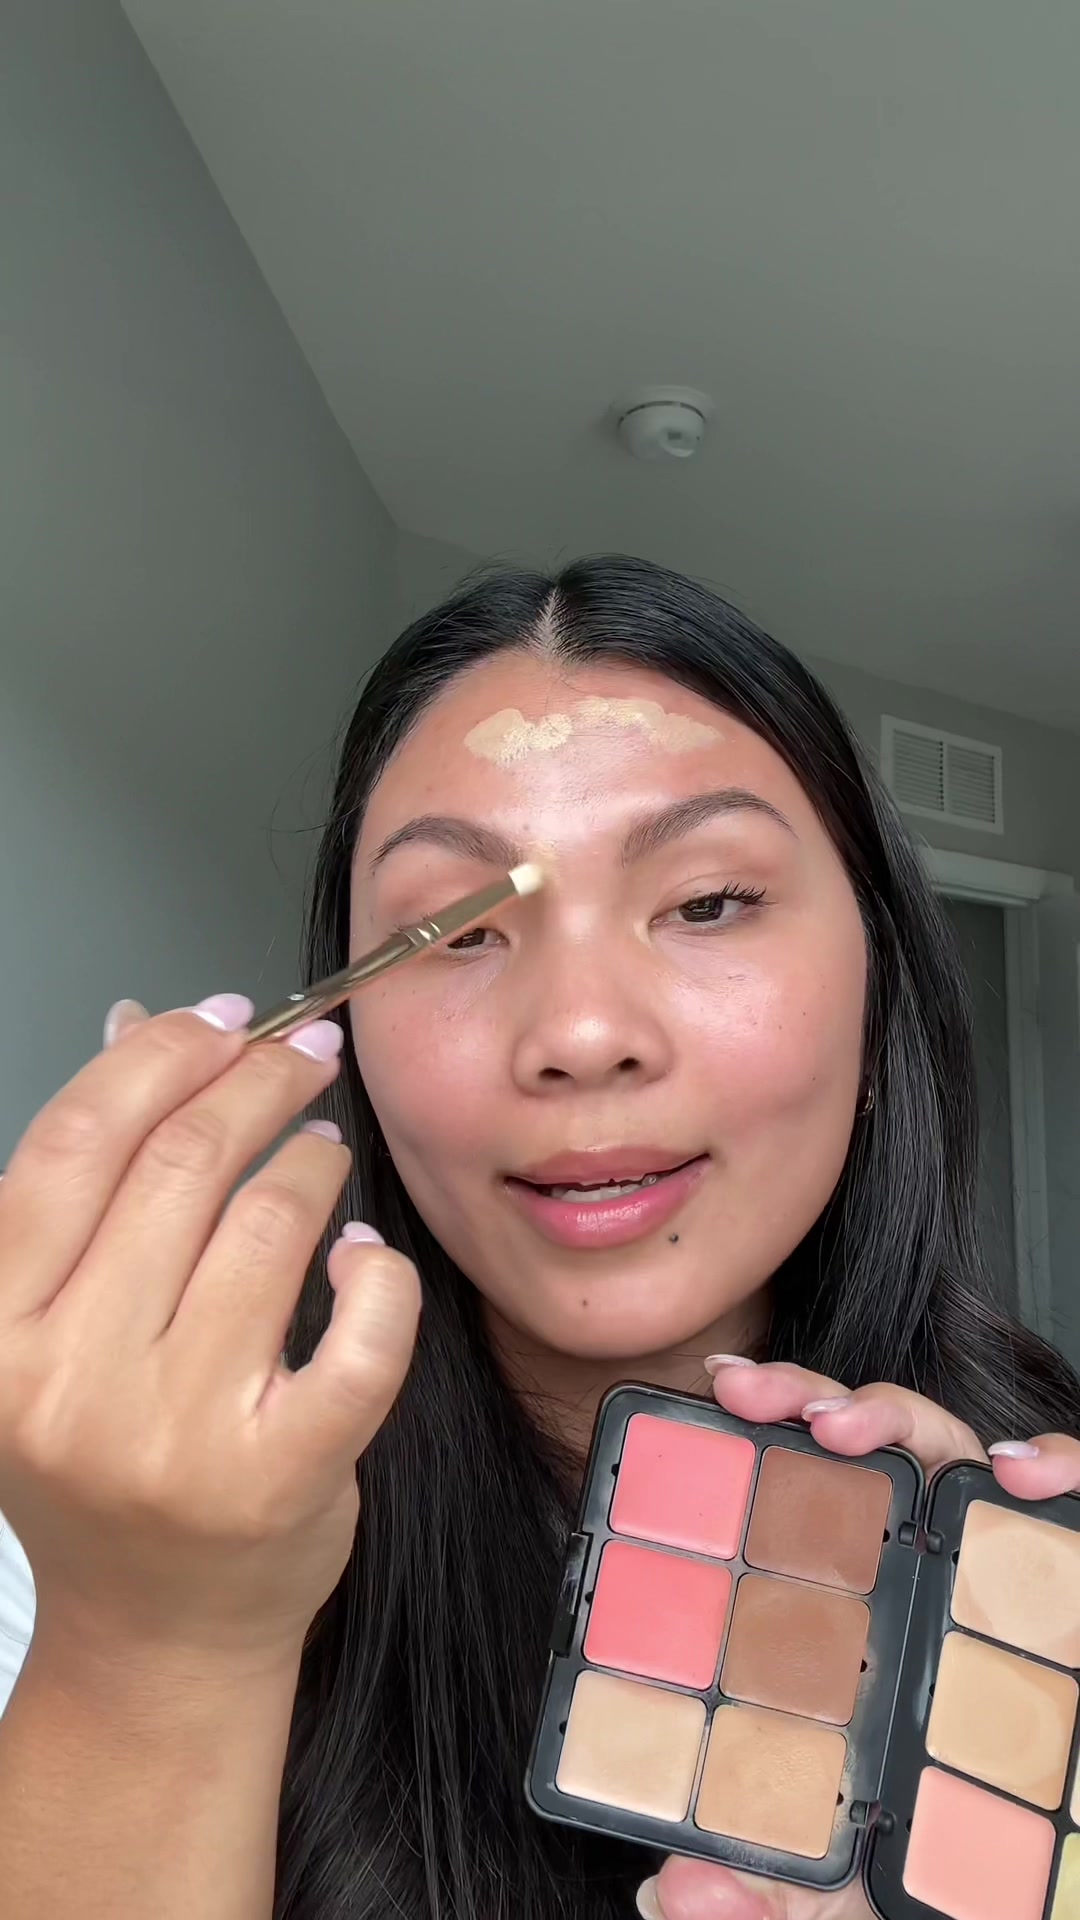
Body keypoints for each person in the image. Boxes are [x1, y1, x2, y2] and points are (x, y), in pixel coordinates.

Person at [0, 555, 1076, 1920]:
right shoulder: (74, 1552)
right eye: (453, 934)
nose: (578, 1033)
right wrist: (156, 1645)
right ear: (349, 1034)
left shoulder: (1050, 1535)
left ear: (880, 979)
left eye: (708, 902)